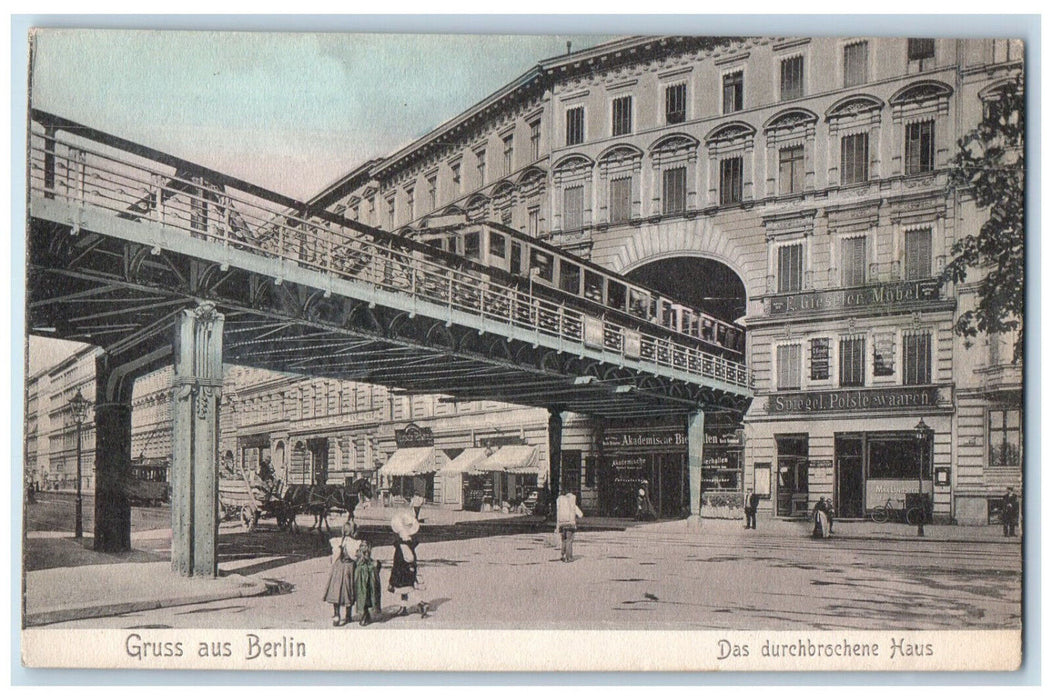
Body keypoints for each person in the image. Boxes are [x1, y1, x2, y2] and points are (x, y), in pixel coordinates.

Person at [388, 511, 430, 618]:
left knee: (407, 588)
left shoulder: (402, 546)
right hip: (409, 569)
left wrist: (392, 578)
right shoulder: (409, 543)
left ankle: (421, 603)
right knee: (405, 589)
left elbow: (398, 562)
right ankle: (403, 608)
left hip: (403, 570)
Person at [323, 520, 360, 626]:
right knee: (349, 589)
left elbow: (333, 557)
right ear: (354, 532)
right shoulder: (355, 544)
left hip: (338, 567)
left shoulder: (338, 542)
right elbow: (355, 557)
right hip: (349, 568)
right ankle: (348, 615)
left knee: (336, 590)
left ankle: (336, 615)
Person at [353, 540, 382, 626]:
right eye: (362, 546)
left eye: (365, 546)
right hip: (361, 579)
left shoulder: (369, 555)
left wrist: (374, 565)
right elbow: (358, 563)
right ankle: (365, 614)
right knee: (362, 596)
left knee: (369, 595)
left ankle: (366, 615)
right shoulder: (358, 555)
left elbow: (374, 563)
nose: (363, 547)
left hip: (370, 578)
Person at [556, 489, 584, 562]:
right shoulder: (572, 503)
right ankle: (569, 557)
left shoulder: (560, 502)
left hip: (562, 523)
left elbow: (558, 513)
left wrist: (557, 525)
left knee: (563, 540)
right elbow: (580, 514)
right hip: (570, 524)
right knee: (569, 540)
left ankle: (562, 554)